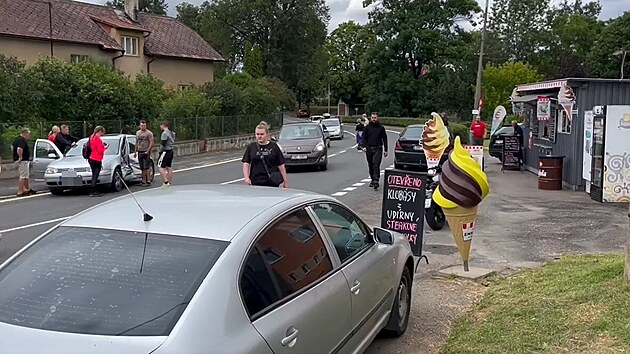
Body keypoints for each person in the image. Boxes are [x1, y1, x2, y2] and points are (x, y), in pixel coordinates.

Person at [242, 121, 288, 188]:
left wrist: (285, 181)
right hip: (255, 182)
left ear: (267, 134)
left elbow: (281, 165)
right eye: (257, 134)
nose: (259, 136)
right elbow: (246, 163)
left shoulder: (274, 147)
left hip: (271, 182)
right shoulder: (251, 147)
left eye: (262, 134)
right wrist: (246, 178)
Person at [360, 112, 388, 190]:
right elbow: (364, 138)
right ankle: (372, 179)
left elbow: (384, 138)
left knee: (376, 164)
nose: (374, 119)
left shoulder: (381, 128)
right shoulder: (367, 128)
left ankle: (376, 180)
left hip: (378, 148)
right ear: (370, 118)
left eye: (375, 118)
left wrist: (386, 149)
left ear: (377, 118)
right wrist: (364, 146)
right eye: (372, 118)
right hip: (369, 148)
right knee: (371, 165)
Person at [12, 128, 34, 197]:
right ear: (25, 133)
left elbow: (12, 147)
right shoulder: (22, 140)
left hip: (23, 160)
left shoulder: (16, 139)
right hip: (23, 160)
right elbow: (19, 149)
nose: (29, 135)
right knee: (23, 176)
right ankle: (20, 191)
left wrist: (14, 155)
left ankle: (26, 189)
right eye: (28, 133)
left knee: (25, 175)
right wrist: (20, 157)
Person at [87, 126, 108, 197]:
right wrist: (105, 148)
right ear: (100, 131)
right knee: (95, 175)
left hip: (91, 158)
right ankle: (93, 191)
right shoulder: (97, 139)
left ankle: (93, 190)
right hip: (97, 159)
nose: (102, 134)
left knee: (94, 175)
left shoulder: (91, 137)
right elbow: (100, 150)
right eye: (102, 132)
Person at [135, 120, 154, 186]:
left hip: (146, 151)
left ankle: (148, 180)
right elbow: (136, 142)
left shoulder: (149, 133)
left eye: (144, 125)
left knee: (147, 166)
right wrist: (135, 151)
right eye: (142, 125)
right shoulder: (137, 133)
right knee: (142, 167)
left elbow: (151, 142)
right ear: (140, 126)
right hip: (140, 151)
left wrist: (148, 151)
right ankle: (143, 180)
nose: (143, 127)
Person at [158, 121, 175, 187]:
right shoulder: (172, 133)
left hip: (166, 151)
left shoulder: (164, 133)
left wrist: (160, 151)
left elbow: (163, 143)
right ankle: (169, 182)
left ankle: (166, 182)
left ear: (163, 125)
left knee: (160, 167)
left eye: (161, 126)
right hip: (171, 151)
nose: (160, 127)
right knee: (169, 167)